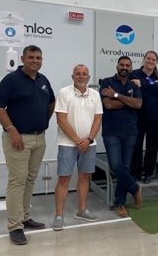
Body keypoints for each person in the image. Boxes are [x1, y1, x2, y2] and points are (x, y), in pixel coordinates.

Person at [0, 45, 55, 245]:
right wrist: (13, 131)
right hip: (18, 139)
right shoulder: (11, 80)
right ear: (22, 58)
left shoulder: (43, 80)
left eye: (38, 57)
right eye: (31, 57)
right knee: (17, 182)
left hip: (39, 138)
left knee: (29, 179)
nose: (35, 61)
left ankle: (25, 217)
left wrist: (43, 121)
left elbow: (51, 102)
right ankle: (15, 226)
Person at [52, 64, 103, 231]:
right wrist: (77, 140)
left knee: (84, 177)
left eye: (84, 74)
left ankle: (81, 211)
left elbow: (97, 120)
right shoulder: (64, 93)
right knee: (64, 179)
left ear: (88, 77)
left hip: (89, 144)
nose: (81, 77)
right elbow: (61, 120)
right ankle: (59, 215)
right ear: (73, 76)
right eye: (77, 74)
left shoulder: (95, 95)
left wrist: (88, 139)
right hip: (67, 144)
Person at [100, 56, 143, 218]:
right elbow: (108, 105)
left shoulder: (134, 84)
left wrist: (116, 95)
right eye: (122, 64)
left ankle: (120, 203)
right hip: (112, 132)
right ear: (117, 66)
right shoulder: (106, 82)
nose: (124, 67)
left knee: (125, 167)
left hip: (131, 131)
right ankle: (134, 188)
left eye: (127, 65)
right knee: (116, 166)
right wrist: (128, 101)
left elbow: (138, 104)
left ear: (131, 68)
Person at [130, 51, 158, 184]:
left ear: (156, 62)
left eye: (153, 59)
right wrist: (132, 83)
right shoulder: (135, 74)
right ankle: (135, 173)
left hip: (156, 118)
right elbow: (126, 91)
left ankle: (148, 173)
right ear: (144, 59)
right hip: (138, 117)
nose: (150, 61)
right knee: (136, 146)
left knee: (152, 147)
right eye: (148, 58)